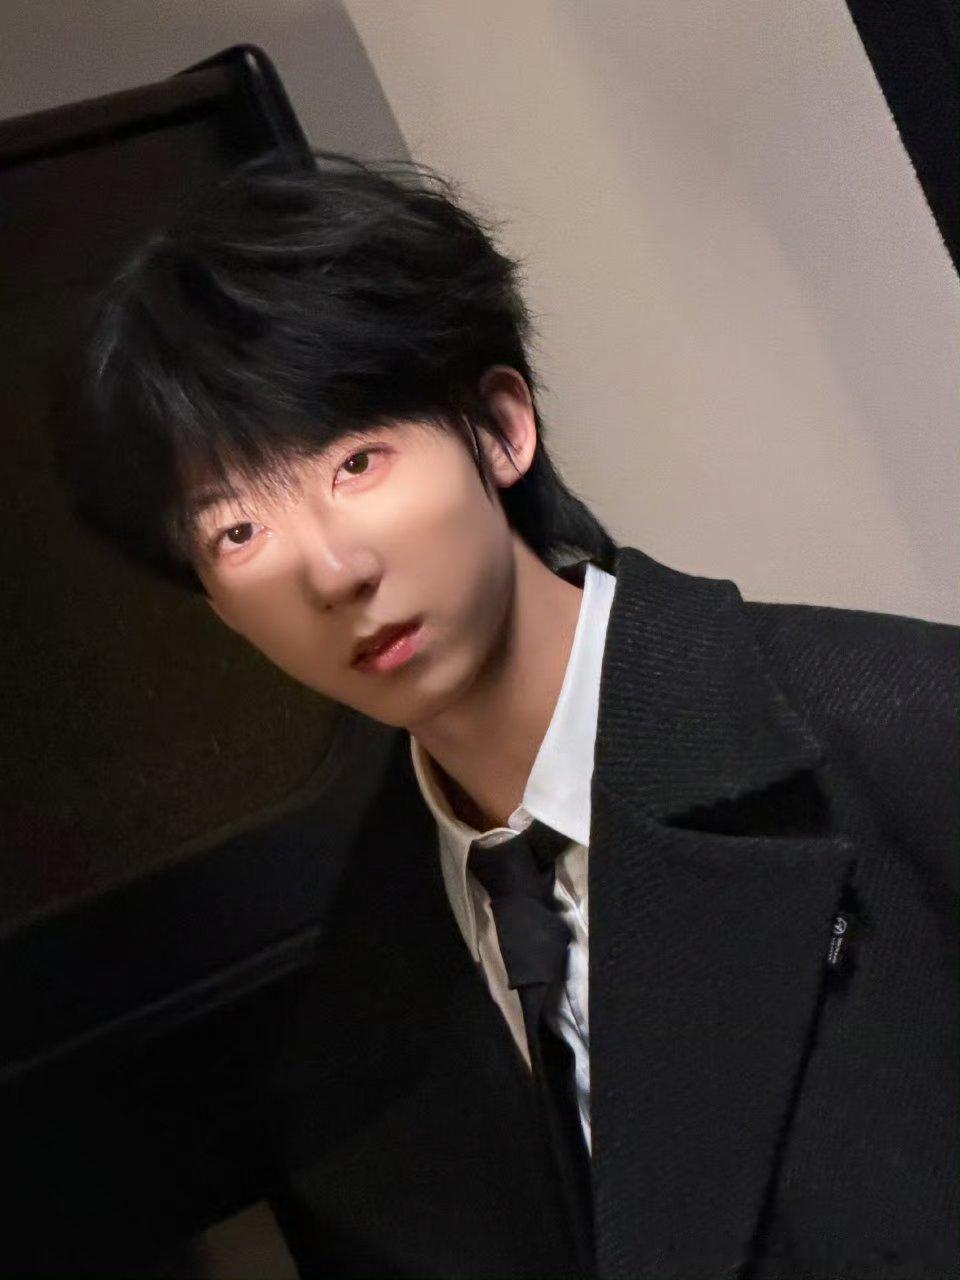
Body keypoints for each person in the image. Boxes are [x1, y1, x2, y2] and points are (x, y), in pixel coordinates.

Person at [47, 149, 957, 1279]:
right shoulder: (351, 1031)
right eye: (238, 530)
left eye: (357, 460)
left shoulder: (909, 730)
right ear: (216, 605)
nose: (331, 568)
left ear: (499, 429)